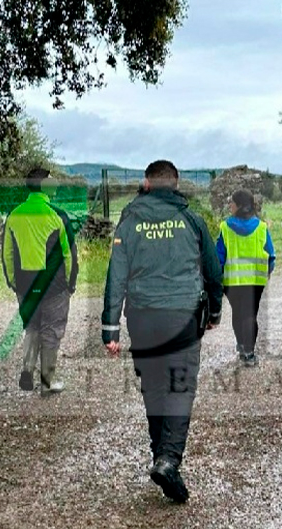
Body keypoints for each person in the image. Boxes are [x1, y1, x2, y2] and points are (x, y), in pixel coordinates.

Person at [102, 160, 223, 503]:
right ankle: (169, 460)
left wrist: (110, 327)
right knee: (179, 387)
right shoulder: (192, 219)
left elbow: (117, 275)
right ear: (176, 184)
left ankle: (162, 458)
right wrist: (214, 311)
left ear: (145, 183)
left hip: (142, 317)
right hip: (183, 317)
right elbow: (213, 271)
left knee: (154, 387)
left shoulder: (130, 220)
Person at [2, 167, 79, 395]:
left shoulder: (14, 215)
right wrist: (70, 282)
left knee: (32, 327)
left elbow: (7, 254)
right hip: (54, 287)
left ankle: (27, 369)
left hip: (25, 285)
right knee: (52, 331)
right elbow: (69, 255)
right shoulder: (57, 214)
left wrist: (14, 282)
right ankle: (47, 381)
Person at [215, 190, 275, 366]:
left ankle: (241, 345)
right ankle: (249, 353)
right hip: (255, 281)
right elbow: (270, 254)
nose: (229, 205)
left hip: (232, 281)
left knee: (238, 313)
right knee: (250, 314)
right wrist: (268, 271)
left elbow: (218, 256)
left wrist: (217, 277)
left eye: (231, 203)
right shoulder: (262, 228)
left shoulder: (225, 228)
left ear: (239, 205)